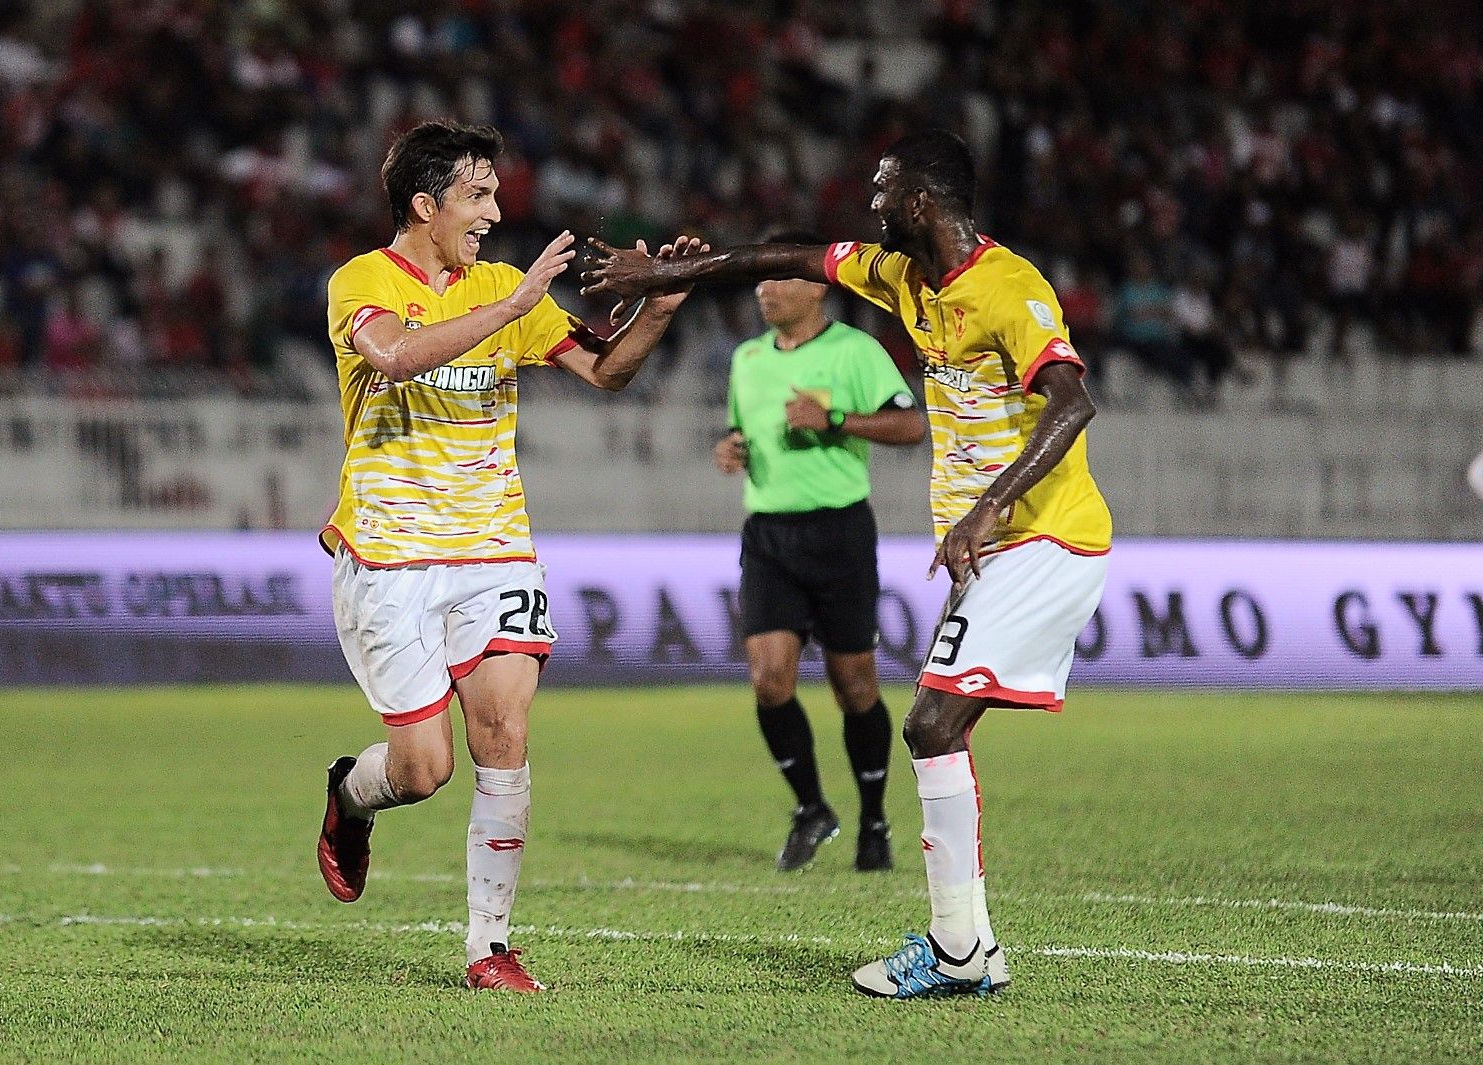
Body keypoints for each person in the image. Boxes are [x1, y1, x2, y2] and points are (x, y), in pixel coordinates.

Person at [583, 129, 1112, 999]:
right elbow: (789, 253)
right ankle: (968, 942)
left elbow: (1073, 399)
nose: (869, 206)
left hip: (1044, 536)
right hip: (989, 547)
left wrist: (987, 505)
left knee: (930, 724)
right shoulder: (901, 277)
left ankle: (955, 950)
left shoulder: (1012, 288)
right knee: (945, 733)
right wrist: (666, 278)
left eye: (881, 191)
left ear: (920, 202)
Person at [316, 120, 703, 994]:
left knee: (504, 735)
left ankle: (488, 946)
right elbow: (398, 355)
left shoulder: (502, 287)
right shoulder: (362, 283)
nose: (495, 211)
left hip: (493, 548)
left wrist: (662, 308)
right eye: (477, 195)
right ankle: (350, 795)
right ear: (425, 204)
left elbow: (607, 371)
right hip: (389, 556)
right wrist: (509, 308)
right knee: (423, 770)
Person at [715, 228, 927, 873]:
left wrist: (835, 421)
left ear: (816, 286)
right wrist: (733, 447)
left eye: (778, 277)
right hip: (769, 534)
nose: (764, 289)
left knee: (853, 687)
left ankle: (875, 818)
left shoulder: (856, 352)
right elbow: (739, 427)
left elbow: (911, 424)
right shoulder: (748, 358)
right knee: (769, 679)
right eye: (759, 278)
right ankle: (811, 807)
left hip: (838, 532)